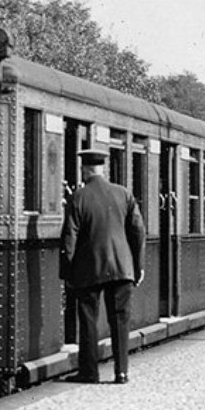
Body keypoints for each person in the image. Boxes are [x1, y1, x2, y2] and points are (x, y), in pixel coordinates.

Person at [60, 148, 146, 385]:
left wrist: (67, 273)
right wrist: (138, 266)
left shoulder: (78, 197)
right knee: (120, 320)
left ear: (84, 170)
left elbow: (69, 238)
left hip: (90, 269)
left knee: (88, 320)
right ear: (103, 169)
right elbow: (138, 231)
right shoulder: (124, 193)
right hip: (122, 267)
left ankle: (89, 372)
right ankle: (121, 372)